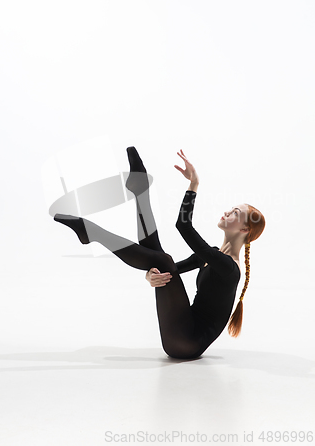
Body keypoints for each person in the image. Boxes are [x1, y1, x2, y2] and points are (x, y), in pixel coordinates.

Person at [54, 147, 265, 359]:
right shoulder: (211, 255)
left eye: (235, 213)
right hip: (182, 325)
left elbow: (183, 226)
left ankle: (95, 230)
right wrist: (150, 274)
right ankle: (138, 191)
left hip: (186, 343)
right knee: (160, 257)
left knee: (162, 258)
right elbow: (171, 270)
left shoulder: (228, 267)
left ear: (244, 230)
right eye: (231, 209)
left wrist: (194, 184)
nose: (227, 212)